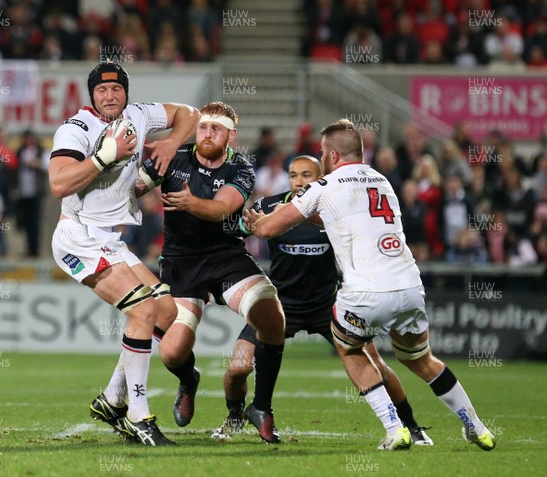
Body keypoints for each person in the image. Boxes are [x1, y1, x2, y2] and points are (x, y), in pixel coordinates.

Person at [243, 118, 496, 451]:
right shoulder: (384, 181)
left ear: (332, 155)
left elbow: (269, 229)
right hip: (408, 286)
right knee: (422, 360)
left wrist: (257, 222)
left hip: (365, 291)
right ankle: (476, 425)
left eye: (322, 152)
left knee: (349, 347)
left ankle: (395, 429)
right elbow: (343, 216)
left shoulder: (325, 186)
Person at [212, 155, 433, 446]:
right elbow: (234, 234)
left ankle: (412, 427)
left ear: (320, 179)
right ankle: (235, 415)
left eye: (307, 175)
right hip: (279, 306)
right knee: (237, 367)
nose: (299, 181)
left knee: (377, 365)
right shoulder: (267, 207)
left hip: (326, 306)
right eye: (293, 175)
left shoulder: (333, 210)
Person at [48, 61, 200, 446]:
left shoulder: (140, 114)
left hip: (110, 239)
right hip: (78, 236)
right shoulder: (77, 128)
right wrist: (104, 156)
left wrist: (170, 142)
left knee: (166, 312)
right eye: (101, 91)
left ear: (126, 93)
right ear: (92, 95)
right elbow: (58, 182)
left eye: (116, 90)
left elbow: (190, 114)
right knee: (144, 310)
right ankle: (138, 414)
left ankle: (112, 399)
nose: (109, 96)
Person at [138, 101, 286, 443]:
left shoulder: (242, 170)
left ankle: (261, 405)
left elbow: (223, 208)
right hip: (181, 262)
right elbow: (136, 188)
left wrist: (191, 204)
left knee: (271, 311)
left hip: (225, 256)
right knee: (172, 352)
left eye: (216, 129)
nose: (207, 134)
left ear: (231, 136)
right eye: (203, 126)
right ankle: (189, 379)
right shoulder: (173, 156)